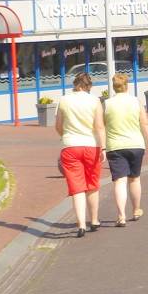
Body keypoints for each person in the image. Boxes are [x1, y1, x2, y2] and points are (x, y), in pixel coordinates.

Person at [55, 72, 105, 238]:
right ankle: (95, 220)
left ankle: (81, 224)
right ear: (89, 86)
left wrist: (65, 136)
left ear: (75, 84)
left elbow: (58, 125)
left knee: (77, 187)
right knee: (92, 184)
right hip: (91, 145)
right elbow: (99, 126)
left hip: (70, 147)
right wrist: (103, 148)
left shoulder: (64, 100)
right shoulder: (94, 101)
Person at [103, 73, 148, 226]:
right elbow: (145, 123)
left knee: (119, 181)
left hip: (115, 146)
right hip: (136, 145)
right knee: (134, 179)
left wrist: (101, 146)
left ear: (114, 87)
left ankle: (121, 216)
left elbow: (101, 125)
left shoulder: (106, 104)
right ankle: (136, 209)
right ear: (127, 86)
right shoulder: (136, 102)